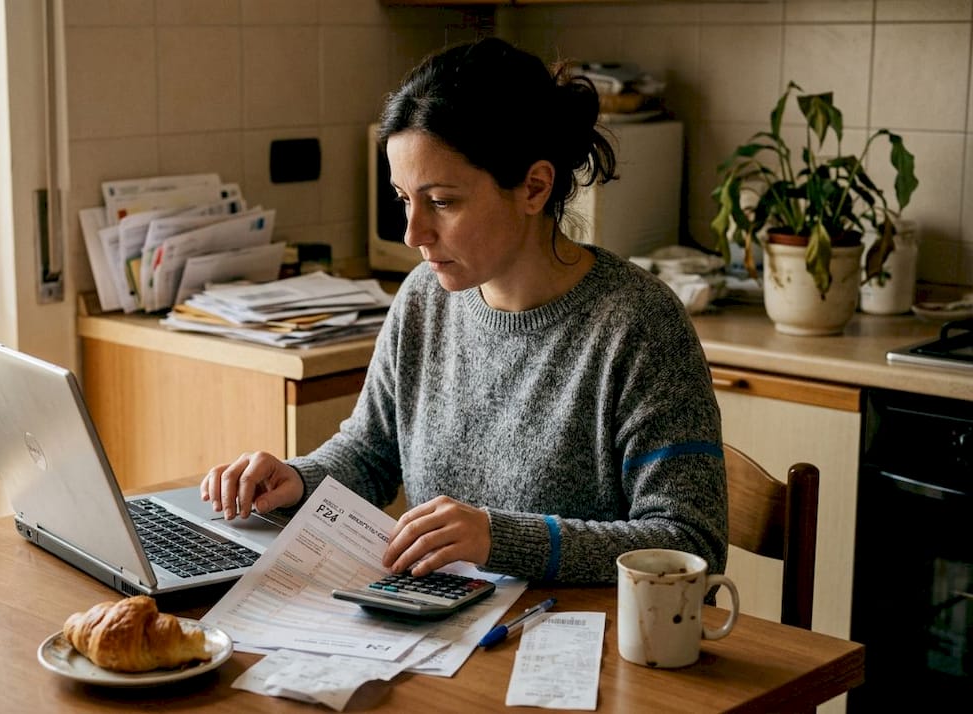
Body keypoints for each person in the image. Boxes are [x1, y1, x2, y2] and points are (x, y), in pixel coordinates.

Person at [201, 37, 727, 584]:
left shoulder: (639, 325)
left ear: (534, 187)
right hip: (447, 620)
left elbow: (691, 542)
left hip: (585, 631)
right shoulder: (424, 298)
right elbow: (370, 451)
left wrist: (499, 539)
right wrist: (297, 479)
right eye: (404, 199)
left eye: (442, 202)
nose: (413, 234)